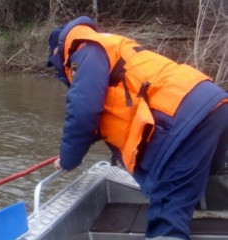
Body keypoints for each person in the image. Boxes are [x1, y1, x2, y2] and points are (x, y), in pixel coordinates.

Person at [47, 16, 228, 240]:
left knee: (167, 207)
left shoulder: (84, 50)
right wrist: (76, 147)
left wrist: (68, 159)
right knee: (212, 174)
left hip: (187, 120)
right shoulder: (106, 44)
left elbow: (83, 110)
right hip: (213, 105)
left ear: (58, 51)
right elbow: (110, 108)